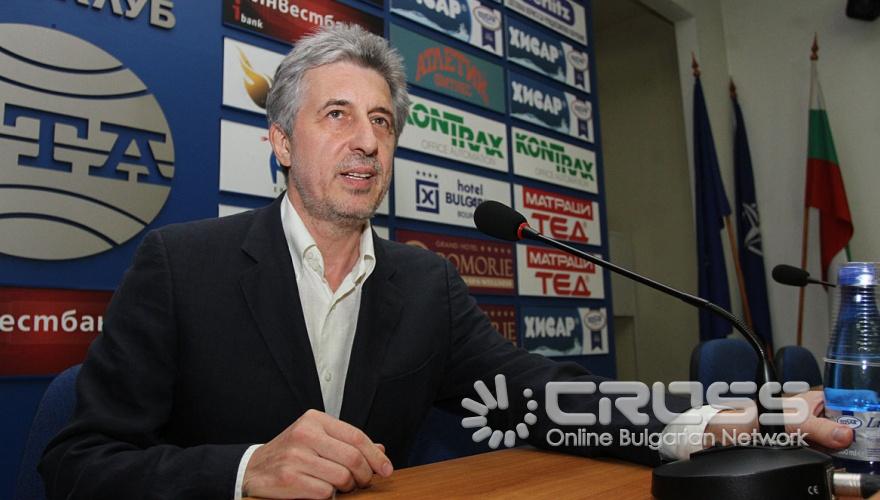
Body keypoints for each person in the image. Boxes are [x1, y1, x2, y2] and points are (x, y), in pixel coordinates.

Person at [40, 24, 852, 499]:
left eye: (382, 122)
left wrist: (723, 417)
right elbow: (78, 462)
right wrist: (248, 469)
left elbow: (542, 396)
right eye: (337, 116)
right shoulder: (182, 266)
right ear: (281, 141)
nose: (366, 141)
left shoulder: (423, 282)